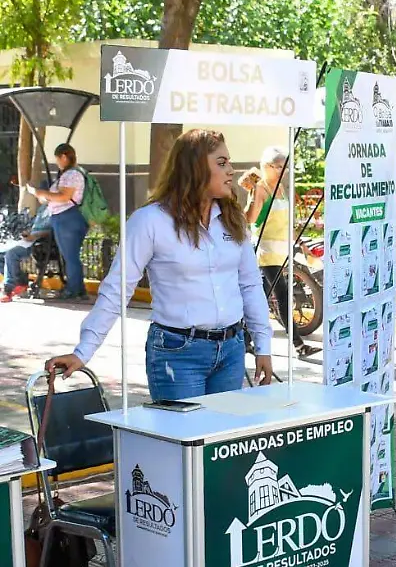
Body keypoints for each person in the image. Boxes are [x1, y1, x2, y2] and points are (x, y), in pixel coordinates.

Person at [45, 129, 275, 397]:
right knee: (183, 438)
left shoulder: (232, 219)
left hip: (232, 352)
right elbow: (117, 288)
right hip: (177, 354)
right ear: (195, 167)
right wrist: (83, 352)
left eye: (229, 162)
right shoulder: (150, 221)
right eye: (221, 163)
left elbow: (249, 284)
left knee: (217, 438)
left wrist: (263, 345)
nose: (231, 171)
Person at [243, 147, 320, 358]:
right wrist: (251, 196)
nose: (282, 171)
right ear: (267, 166)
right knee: (283, 297)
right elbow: (249, 219)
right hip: (266, 252)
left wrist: (302, 245)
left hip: (281, 252)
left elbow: (287, 224)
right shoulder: (260, 189)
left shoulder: (281, 190)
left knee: (261, 298)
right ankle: (298, 345)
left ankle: (243, 339)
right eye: (278, 167)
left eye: (284, 167)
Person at [30, 144, 89, 300]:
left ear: (64, 156)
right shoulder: (70, 174)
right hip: (66, 217)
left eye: (57, 159)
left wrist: (42, 192)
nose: (58, 163)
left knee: (70, 256)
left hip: (67, 218)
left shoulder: (72, 175)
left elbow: (64, 197)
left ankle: (73, 289)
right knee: (71, 256)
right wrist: (43, 196)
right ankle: (78, 288)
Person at [1, 201, 52, 302]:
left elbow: (51, 231)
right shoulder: (42, 209)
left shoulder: (56, 211)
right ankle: (20, 281)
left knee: (11, 253)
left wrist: (34, 236)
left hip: (37, 243)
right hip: (27, 240)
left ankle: (8, 288)